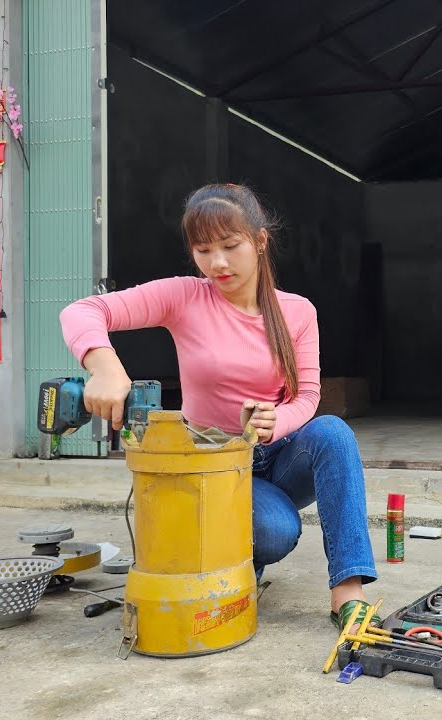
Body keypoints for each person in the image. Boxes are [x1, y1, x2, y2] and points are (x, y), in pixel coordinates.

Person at [58, 183, 381, 634]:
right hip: (214, 462)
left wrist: (276, 420)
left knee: (333, 433)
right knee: (276, 530)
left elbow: (307, 395)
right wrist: (106, 367)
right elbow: (82, 312)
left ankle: (348, 591)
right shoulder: (184, 296)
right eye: (204, 250)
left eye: (231, 246)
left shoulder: (297, 312)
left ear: (260, 241)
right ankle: (235, 547)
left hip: (279, 453)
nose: (218, 264)